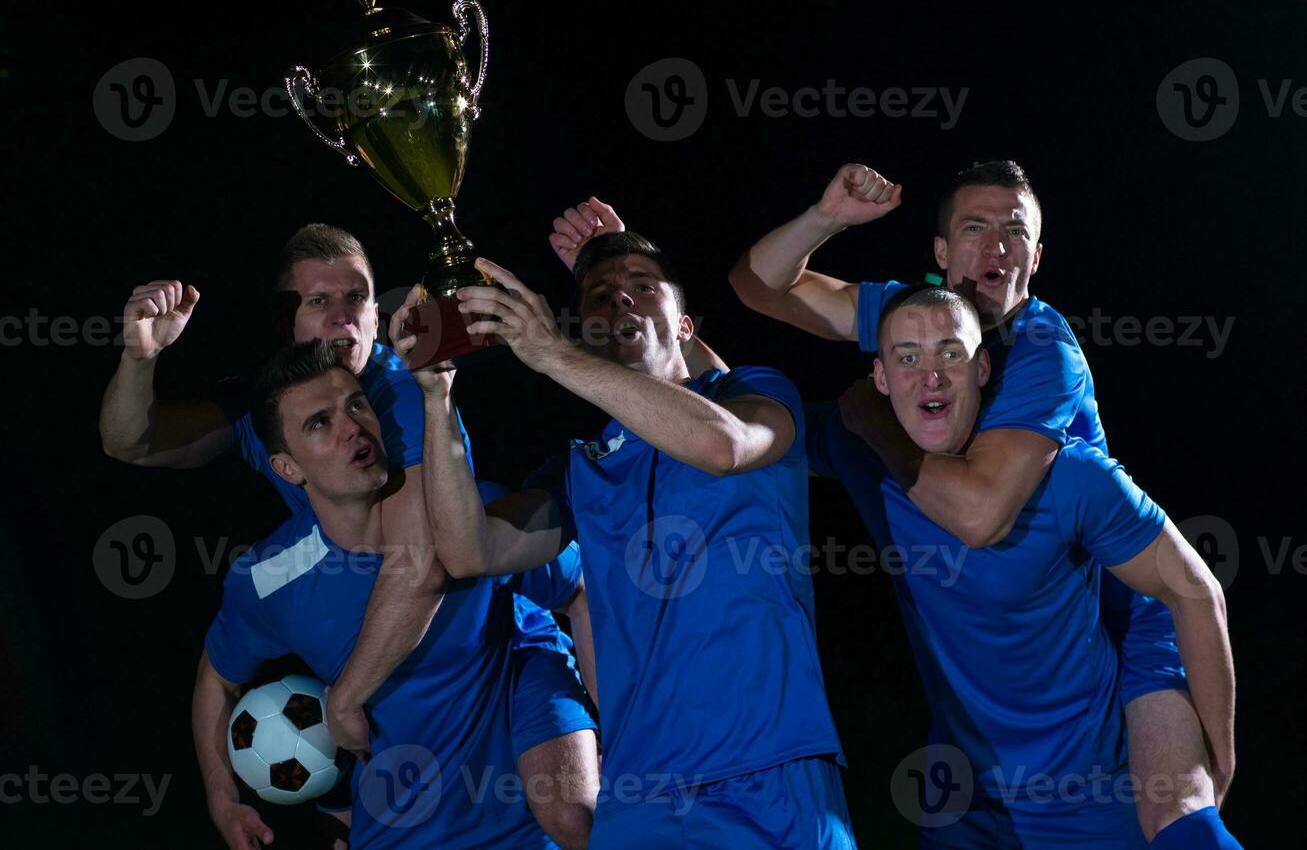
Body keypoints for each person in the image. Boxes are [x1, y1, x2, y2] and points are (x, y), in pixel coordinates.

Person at [729, 162, 1237, 843]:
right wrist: (826, 218)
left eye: (1014, 232)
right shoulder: (923, 317)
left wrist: (879, 429)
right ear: (941, 254)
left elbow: (977, 515)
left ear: (1035, 255)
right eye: (975, 228)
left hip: (1121, 613)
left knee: (1174, 809)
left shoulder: (1042, 353)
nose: (995, 246)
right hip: (996, 656)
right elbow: (755, 285)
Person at [100, 224, 598, 847]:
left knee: (569, 815)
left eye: (357, 298)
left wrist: (343, 701)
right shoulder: (270, 462)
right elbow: (131, 441)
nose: (343, 319)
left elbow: (424, 564)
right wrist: (139, 361)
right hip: (384, 654)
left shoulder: (406, 394)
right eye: (319, 302)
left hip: (482, 629)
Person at [400, 234, 856, 848]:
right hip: (638, 796)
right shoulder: (578, 468)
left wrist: (552, 355)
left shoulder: (752, 394)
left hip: (768, 772)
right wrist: (436, 400)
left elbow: (722, 447)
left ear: (685, 324)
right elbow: (468, 551)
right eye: (599, 295)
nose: (621, 297)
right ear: (586, 332)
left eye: (645, 286)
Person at [802, 284, 1237, 848]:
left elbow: (1195, 588)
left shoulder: (1070, 476)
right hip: (965, 804)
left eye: (951, 354)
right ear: (879, 380)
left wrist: (1220, 764)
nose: (930, 376)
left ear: (983, 367)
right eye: (908, 357)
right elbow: (742, 422)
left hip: (1095, 798)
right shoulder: (862, 445)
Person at [195, 339, 593, 849]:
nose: (353, 428)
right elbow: (216, 677)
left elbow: (577, 591)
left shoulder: (470, 523)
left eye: (356, 404)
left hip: (522, 832)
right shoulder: (268, 578)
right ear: (288, 469)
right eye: (320, 423)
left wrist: (620, 736)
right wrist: (221, 798)